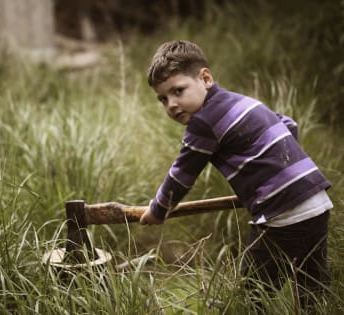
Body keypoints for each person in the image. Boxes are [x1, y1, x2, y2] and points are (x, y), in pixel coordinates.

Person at [139, 40, 333, 310]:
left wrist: (158, 210)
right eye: (163, 98)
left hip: (283, 214)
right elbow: (289, 124)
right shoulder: (244, 102)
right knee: (313, 288)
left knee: (252, 295)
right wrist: (279, 174)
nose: (171, 104)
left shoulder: (203, 122)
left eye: (178, 91)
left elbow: (182, 174)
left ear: (205, 78)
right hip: (316, 200)